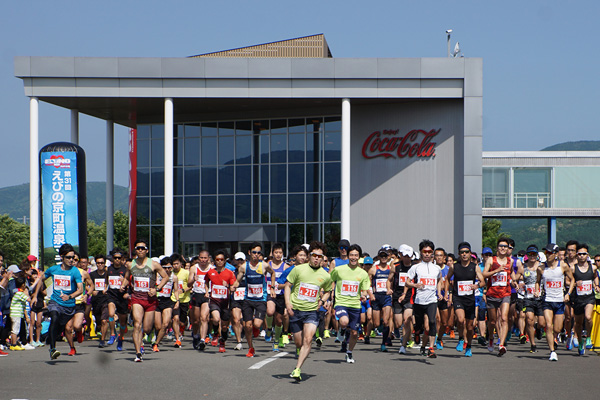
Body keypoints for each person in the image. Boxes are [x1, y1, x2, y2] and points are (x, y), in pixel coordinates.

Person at [285, 241, 333, 381]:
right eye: (314, 255)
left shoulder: (325, 276)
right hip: (296, 310)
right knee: (299, 342)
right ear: (309, 256)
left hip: (312, 311)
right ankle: (299, 351)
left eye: (320, 256)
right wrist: (288, 303)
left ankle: (297, 368)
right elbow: (288, 286)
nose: (317, 258)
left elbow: (328, 291)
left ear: (323, 258)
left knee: (308, 339)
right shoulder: (298, 269)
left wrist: (323, 301)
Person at [121, 239, 169, 362]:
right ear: (135, 250)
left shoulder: (153, 264)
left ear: (147, 250)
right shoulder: (130, 264)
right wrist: (123, 285)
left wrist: (157, 289)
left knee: (146, 328)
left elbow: (165, 277)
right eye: (138, 248)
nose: (140, 250)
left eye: (142, 248)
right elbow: (127, 277)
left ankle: (142, 339)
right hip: (137, 298)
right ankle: (138, 353)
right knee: (137, 324)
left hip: (150, 300)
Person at [33, 243, 83, 360]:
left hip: (69, 306)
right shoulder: (54, 269)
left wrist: (70, 296)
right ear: (61, 257)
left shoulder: (75, 271)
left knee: (61, 327)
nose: (71, 260)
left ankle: (52, 337)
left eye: (72, 257)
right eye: (68, 257)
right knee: (54, 317)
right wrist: (35, 295)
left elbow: (80, 289)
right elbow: (41, 279)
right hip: (55, 302)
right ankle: (52, 349)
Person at [402, 239, 443, 358]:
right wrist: (415, 285)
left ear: (432, 253)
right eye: (424, 251)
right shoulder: (416, 267)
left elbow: (439, 280)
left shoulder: (437, 268)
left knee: (431, 322)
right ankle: (417, 335)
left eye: (429, 251)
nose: (427, 254)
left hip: (432, 301)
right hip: (419, 301)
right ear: (421, 252)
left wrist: (439, 292)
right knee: (419, 326)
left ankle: (430, 348)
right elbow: (407, 283)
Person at [330, 244, 370, 363]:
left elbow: (364, 290)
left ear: (359, 257)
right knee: (344, 321)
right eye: (351, 255)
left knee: (354, 332)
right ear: (348, 256)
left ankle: (349, 352)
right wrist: (330, 292)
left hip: (355, 305)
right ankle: (342, 329)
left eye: (356, 255)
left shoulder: (363, 273)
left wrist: (363, 296)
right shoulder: (339, 270)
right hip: (341, 302)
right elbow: (330, 279)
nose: (353, 257)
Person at [445, 242, 485, 357]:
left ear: (470, 253)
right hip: (458, 298)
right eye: (462, 252)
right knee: (460, 320)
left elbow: (483, 281)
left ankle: (468, 346)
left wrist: (477, 286)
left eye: (466, 252)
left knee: (470, 326)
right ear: (459, 254)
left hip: (470, 299)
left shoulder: (475, 267)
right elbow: (447, 279)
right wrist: (448, 293)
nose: (464, 254)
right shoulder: (454, 266)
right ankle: (461, 339)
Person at [236, 242, 274, 358]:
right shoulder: (244, 267)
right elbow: (238, 280)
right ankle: (251, 348)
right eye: (254, 252)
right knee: (247, 326)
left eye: (258, 253)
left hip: (261, 299)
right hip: (248, 299)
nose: (256, 255)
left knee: (256, 324)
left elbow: (273, 274)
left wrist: (272, 287)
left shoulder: (264, 265)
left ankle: (257, 329)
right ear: (249, 253)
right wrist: (233, 286)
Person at [539, 243, 575, 361]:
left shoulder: (563, 266)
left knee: (557, 329)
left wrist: (568, 294)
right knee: (548, 325)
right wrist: (536, 290)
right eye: (546, 253)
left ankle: (555, 337)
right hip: (547, 300)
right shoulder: (541, 268)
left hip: (559, 300)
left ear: (555, 254)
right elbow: (537, 281)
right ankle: (552, 351)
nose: (547, 255)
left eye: (549, 253)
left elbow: (572, 279)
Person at [482, 237, 516, 356]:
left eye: (505, 246)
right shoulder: (491, 260)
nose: (503, 248)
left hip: (505, 293)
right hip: (492, 294)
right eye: (501, 246)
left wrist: (514, 281)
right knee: (492, 321)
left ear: (508, 249)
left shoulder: (510, 261)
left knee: (504, 318)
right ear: (497, 248)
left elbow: (511, 274)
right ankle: (491, 338)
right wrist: (496, 270)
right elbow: (484, 274)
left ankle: (501, 344)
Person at [205, 250, 238, 353]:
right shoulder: (211, 272)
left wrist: (227, 286)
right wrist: (207, 291)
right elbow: (206, 281)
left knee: (224, 326)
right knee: (215, 318)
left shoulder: (230, 273)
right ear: (214, 261)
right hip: (214, 300)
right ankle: (215, 333)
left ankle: (222, 341)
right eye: (217, 259)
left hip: (225, 302)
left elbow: (233, 288)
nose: (219, 261)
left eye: (221, 260)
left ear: (225, 261)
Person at [571, 243, 599, 355]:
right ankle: (580, 340)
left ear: (588, 255)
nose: (582, 256)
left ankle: (588, 337)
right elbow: (568, 281)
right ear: (577, 255)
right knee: (578, 323)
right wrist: (575, 283)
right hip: (578, 298)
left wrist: (596, 285)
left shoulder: (593, 267)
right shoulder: (573, 268)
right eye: (580, 254)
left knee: (588, 317)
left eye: (584, 254)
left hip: (589, 297)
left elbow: (595, 276)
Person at [64, 253, 93, 355]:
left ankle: (79, 331)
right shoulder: (64, 272)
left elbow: (92, 286)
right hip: (67, 303)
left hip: (79, 303)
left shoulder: (83, 273)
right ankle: (72, 348)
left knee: (76, 326)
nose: (73, 261)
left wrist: (87, 295)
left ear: (78, 262)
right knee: (68, 328)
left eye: (75, 260)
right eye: (71, 259)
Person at [389, 245, 415, 354]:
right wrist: (388, 289)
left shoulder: (415, 267)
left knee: (407, 319)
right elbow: (389, 280)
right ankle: (406, 336)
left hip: (410, 296)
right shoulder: (396, 266)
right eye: (405, 256)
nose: (407, 258)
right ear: (401, 255)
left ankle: (404, 343)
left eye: (409, 256)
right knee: (398, 323)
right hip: (397, 297)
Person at [367, 248, 393, 352]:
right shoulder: (373, 269)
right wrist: (370, 294)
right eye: (381, 256)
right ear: (378, 257)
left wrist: (391, 290)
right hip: (376, 297)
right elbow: (367, 283)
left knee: (386, 321)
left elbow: (394, 281)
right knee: (376, 324)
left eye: (385, 256)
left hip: (386, 297)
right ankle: (381, 325)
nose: (383, 258)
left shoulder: (391, 269)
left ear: (388, 257)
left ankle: (384, 343)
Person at [520, 245, 545, 353]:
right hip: (528, 298)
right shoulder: (523, 267)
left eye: (534, 254)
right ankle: (532, 344)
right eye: (530, 254)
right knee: (529, 319)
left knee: (542, 323)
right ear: (527, 255)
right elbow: (517, 277)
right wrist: (516, 282)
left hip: (541, 298)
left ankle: (538, 329)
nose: (532, 256)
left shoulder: (542, 267)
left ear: (537, 255)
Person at [267, 242, 291, 351]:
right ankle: (268, 328)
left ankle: (276, 341)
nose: (278, 255)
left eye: (280, 253)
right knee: (270, 311)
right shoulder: (268, 265)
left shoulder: (286, 266)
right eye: (276, 252)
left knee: (279, 321)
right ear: (272, 253)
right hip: (269, 293)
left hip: (281, 295)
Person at [105, 248, 130, 351]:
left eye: (119, 258)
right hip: (112, 294)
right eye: (115, 258)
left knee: (123, 322)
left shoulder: (125, 270)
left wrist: (124, 283)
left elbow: (130, 283)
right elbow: (106, 281)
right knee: (111, 314)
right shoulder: (109, 269)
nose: (117, 260)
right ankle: (112, 334)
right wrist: (105, 288)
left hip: (122, 296)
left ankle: (121, 338)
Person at [187, 250, 212, 351]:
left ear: (208, 258)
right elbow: (188, 284)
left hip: (206, 296)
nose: (203, 260)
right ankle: (196, 335)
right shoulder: (194, 268)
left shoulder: (212, 269)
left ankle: (202, 339)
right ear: (198, 258)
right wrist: (193, 279)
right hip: (196, 295)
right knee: (196, 321)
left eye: (205, 258)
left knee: (204, 318)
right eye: (201, 258)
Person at [153, 257, 178, 352]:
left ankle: (156, 344)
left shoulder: (174, 277)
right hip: (157, 301)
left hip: (167, 301)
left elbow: (175, 291)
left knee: (166, 324)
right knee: (158, 326)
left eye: (169, 267)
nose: (167, 270)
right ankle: (154, 335)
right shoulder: (157, 275)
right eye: (165, 268)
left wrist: (177, 301)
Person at [89, 255, 110, 348]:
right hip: (96, 300)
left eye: (102, 263)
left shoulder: (108, 274)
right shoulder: (92, 275)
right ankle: (99, 330)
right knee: (99, 322)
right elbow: (87, 285)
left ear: (104, 263)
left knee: (104, 320)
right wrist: (92, 291)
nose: (100, 265)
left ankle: (102, 340)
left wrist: (107, 289)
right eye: (98, 263)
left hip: (106, 299)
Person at [170, 253, 190, 348]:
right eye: (174, 264)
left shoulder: (186, 273)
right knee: (175, 319)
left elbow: (191, 285)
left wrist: (183, 290)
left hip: (184, 299)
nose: (175, 266)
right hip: (173, 299)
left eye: (177, 264)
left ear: (181, 264)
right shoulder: (170, 273)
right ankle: (177, 337)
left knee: (182, 321)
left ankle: (181, 329)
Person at [230, 252, 247, 350]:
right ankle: (239, 341)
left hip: (247, 298)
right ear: (235, 261)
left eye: (242, 260)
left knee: (245, 322)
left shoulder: (249, 272)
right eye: (238, 260)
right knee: (236, 319)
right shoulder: (232, 273)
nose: (240, 262)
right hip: (236, 298)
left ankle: (244, 331)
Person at [9, 276, 30, 351]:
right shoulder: (20, 293)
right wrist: (26, 293)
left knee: (15, 329)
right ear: (23, 285)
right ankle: (13, 345)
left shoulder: (16, 291)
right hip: (16, 313)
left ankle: (13, 343)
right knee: (15, 330)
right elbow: (28, 299)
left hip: (16, 313)